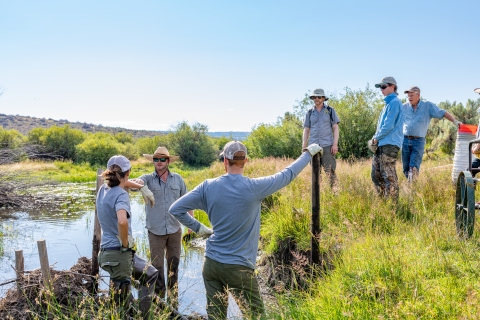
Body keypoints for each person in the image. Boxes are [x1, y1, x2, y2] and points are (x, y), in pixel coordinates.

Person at [169, 140, 323, 320]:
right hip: (239, 268)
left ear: (225, 161)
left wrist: (199, 228)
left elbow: (175, 209)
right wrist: (307, 153)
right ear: (246, 161)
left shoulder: (207, 186)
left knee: (216, 317)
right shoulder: (254, 187)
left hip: (211, 264)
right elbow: (287, 175)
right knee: (257, 316)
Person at [97, 155, 159, 319]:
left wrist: (140, 187)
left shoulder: (103, 189)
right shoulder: (121, 195)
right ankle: (144, 316)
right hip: (119, 252)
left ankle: (137, 311)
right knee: (121, 305)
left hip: (105, 253)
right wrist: (125, 243)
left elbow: (121, 182)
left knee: (149, 273)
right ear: (129, 172)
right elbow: (122, 221)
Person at [129, 147, 193, 303]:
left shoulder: (177, 179)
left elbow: (188, 201)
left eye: (162, 159)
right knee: (157, 267)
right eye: (156, 159)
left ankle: (174, 299)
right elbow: (131, 185)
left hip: (174, 229)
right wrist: (137, 183)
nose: (158, 162)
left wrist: (191, 224)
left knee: (174, 265)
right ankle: (160, 301)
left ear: (168, 161)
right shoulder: (147, 179)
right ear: (153, 161)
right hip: (155, 231)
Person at [402, 86, 462, 179]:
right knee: (406, 168)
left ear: (418, 95)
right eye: (408, 96)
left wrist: (455, 121)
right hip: (405, 140)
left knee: (413, 167)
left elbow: (443, 112)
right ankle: (410, 186)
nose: (409, 97)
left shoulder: (427, 106)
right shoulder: (404, 107)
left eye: (412, 95)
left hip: (418, 141)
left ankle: (411, 187)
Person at [370, 76, 404, 199]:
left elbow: (388, 125)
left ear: (392, 87)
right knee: (376, 175)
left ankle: (393, 207)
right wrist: (376, 139)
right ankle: (383, 203)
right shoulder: (388, 104)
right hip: (381, 144)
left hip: (389, 144)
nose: (381, 89)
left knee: (389, 176)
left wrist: (375, 138)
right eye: (380, 87)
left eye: (383, 87)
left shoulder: (394, 103)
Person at [302, 88, 340, 190]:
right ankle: (318, 195)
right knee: (315, 173)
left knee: (330, 172)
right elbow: (306, 130)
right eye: (315, 97)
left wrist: (335, 144)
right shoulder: (309, 112)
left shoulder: (330, 110)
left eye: (319, 97)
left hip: (327, 145)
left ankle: (334, 194)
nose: (317, 99)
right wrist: (304, 146)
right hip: (312, 147)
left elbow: (335, 128)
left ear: (323, 98)